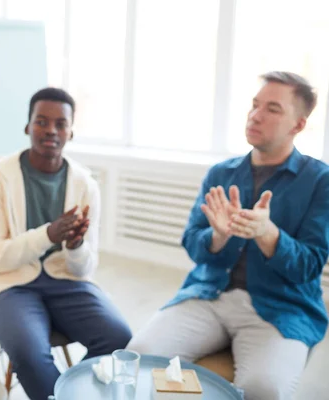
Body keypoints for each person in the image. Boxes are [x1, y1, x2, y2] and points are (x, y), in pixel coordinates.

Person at [127, 72, 329, 400]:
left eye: (273, 109)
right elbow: (193, 241)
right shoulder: (221, 173)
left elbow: (308, 266)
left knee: (265, 390)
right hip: (209, 295)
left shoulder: (320, 180)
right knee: (141, 356)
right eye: (254, 105)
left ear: (298, 125)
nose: (255, 115)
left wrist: (268, 234)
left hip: (281, 309)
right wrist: (218, 237)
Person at [0, 87, 132, 399]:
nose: (51, 131)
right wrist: (49, 235)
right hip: (6, 283)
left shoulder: (85, 185)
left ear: (71, 131)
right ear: (28, 126)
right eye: (41, 122)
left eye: (60, 124)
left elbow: (84, 270)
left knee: (120, 337)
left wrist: (75, 245)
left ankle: (75, 392)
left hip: (65, 281)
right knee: (29, 353)